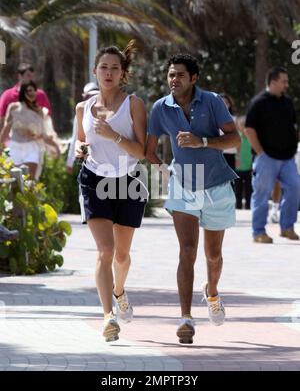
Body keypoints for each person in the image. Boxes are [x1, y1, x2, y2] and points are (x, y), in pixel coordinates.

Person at [145, 53, 240, 344]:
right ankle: (185, 317)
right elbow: (149, 151)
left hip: (216, 184)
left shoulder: (212, 101)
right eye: (171, 74)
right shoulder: (161, 107)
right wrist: (167, 172)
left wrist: (204, 142)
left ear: (194, 78)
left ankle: (212, 291)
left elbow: (234, 139)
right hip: (184, 186)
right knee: (187, 251)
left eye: (180, 75)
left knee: (213, 255)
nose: (174, 80)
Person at [75, 40, 147, 342]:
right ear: (95, 70)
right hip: (94, 180)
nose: (108, 72)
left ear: (122, 74)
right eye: (103, 67)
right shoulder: (83, 108)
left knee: (122, 254)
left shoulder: (134, 105)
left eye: (114, 68)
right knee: (105, 251)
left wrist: (114, 135)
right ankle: (108, 316)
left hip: (128, 181)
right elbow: (80, 143)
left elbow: (141, 151)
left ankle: (119, 290)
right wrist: (80, 148)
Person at [245, 66, 299, 243]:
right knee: (262, 194)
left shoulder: (287, 102)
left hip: (287, 158)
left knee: (294, 188)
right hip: (266, 158)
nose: (286, 85)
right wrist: (260, 153)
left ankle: (287, 227)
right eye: (284, 81)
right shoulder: (258, 102)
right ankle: (258, 232)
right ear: (273, 82)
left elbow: (293, 126)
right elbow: (249, 129)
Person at [0, 81, 60, 180]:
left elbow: (42, 134)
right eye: (28, 91)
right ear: (23, 93)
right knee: (16, 181)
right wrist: (0, 146)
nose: (31, 93)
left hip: (32, 148)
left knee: (30, 179)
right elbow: (6, 128)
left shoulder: (39, 111)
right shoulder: (13, 107)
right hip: (16, 147)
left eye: (33, 91)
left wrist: (55, 146)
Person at [0, 63, 52, 138]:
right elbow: (2, 119)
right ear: (19, 76)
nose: (31, 78)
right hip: (13, 141)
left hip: (36, 139)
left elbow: (47, 118)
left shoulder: (40, 95)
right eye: (28, 75)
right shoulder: (7, 95)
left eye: (32, 76)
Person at [66, 82, 99, 174]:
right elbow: (76, 138)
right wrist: (70, 161)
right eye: (89, 96)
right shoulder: (81, 111)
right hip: (90, 162)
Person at [235, 115, 252, 209]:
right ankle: (238, 207)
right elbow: (236, 150)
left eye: (245, 125)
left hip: (249, 168)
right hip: (238, 168)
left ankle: (249, 208)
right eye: (241, 125)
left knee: (249, 190)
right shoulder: (237, 136)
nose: (243, 127)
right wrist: (237, 160)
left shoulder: (251, 137)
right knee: (238, 191)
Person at [220, 93, 237, 171]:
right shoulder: (212, 119)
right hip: (217, 153)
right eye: (222, 103)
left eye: (226, 103)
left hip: (231, 153)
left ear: (229, 104)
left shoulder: (235, 119)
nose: (224, 105)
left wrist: (239, 156)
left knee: (231, 181)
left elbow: (238, 139)